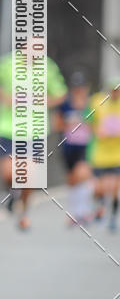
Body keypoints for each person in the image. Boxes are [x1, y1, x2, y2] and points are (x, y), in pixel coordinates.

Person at [0, 48, 66, 230]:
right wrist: (7, 98)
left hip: (36, 131)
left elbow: (61, 94)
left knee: (30, 177)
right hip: (9, 129)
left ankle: (23, 212)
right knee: (9, 172)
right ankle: (11, 194)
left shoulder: (48, 66)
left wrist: (41, 100)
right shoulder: (6, 64)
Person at [54, 71, 94, 226]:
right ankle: (75, 212)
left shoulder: (92, 104)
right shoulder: (65, 104)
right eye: (77, 87)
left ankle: (84, 211)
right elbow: (57, 124)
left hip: (86, 145)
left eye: (82, 87)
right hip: (68, 145)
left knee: (83, 174)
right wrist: (70, 123)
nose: (79, 90)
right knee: (72, 179)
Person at [88, 77, 120, 231]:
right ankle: (99, 205)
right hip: (100, 154)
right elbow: (87, 121)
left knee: (114, 187)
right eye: (113, 90)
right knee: (100, 188)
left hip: (117, 154)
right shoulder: (97, 102)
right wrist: (96, 131)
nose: (115, 93)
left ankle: (113, 217)